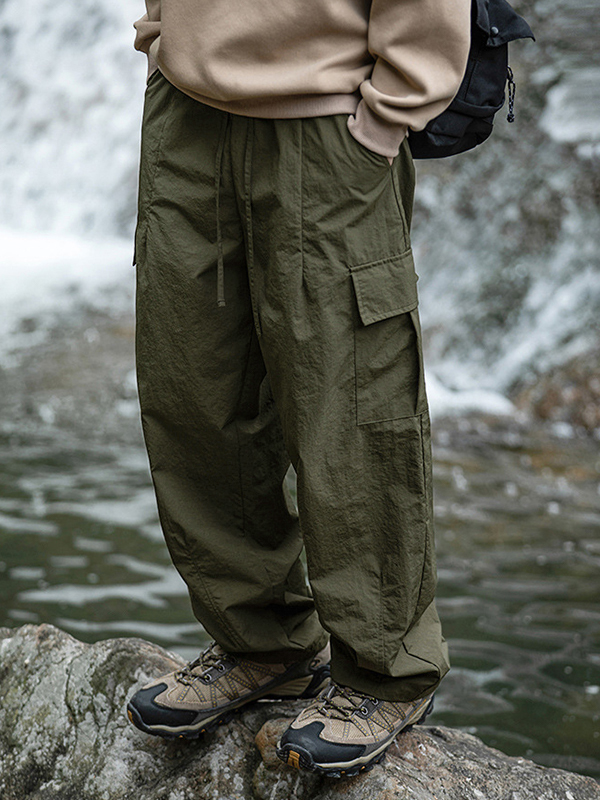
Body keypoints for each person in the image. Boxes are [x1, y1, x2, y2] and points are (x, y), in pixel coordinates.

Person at [126, 0, 470, 778]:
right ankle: (260, 642)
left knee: (351, 410)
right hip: (186, 112)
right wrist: (162, 37)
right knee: (193, 391)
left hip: (331, 125)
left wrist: (390, 110)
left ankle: (386, 674)